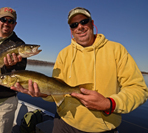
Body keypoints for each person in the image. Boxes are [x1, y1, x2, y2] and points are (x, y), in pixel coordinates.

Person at [11, 7, 148, 133]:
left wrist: (109, 103)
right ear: (71, 30)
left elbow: (139, 90)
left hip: (102, 128)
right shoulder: (63, 54)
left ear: (92, 23)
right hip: (63, 122)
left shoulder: (116, 50)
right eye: (74, 25)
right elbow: (55, 91)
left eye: (84, 21)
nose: (80, 27)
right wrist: (43, 94)